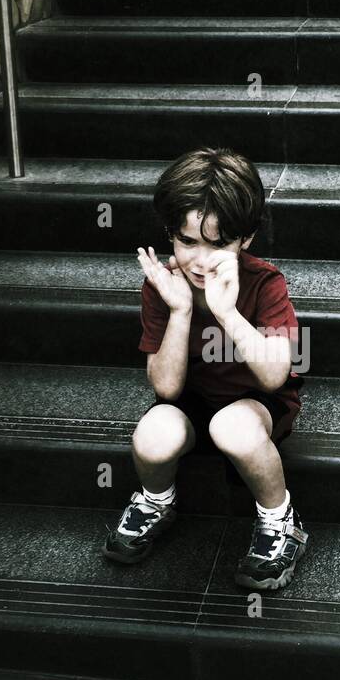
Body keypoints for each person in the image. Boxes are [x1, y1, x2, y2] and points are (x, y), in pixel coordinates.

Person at [103, 147, 309, 590]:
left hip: (257, 402)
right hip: (194, 400)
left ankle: (280, 521)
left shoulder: (265, 282)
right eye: (187, 241)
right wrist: (179, 311)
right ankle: (157, 500)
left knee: (233, 427)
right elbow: (166, 387)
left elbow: (276, 376)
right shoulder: (163, 285)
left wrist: (227, 312)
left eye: (218, 245)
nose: (200, 260)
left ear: (246, 239)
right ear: (170, 235)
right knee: (152, 434)